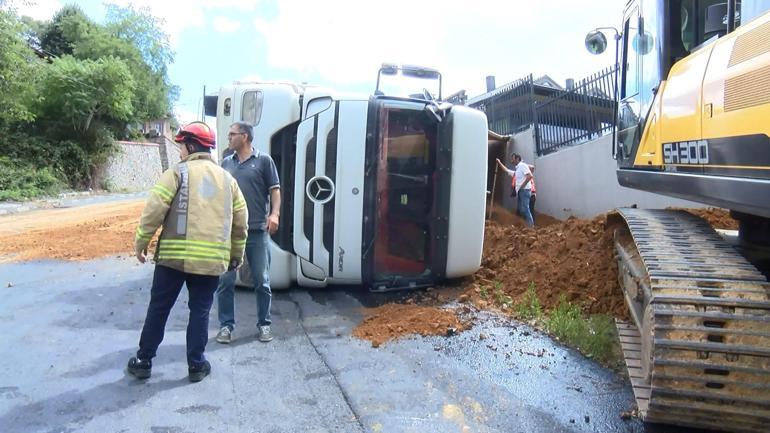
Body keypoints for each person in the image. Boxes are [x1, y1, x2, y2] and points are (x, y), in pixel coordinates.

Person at [127, 121, 248, 382]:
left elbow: (155, 208)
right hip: (210, 262)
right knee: (200, 312)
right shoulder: (228, 180)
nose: (180, 150)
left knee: (159, 309)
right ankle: (196, 365)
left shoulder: (177, 173)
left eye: (182, 145)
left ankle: (143, 361)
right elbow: (241, 222)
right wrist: (236, 255)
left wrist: (141, 241)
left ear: (191, 145)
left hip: (172, 259)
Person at [215, 121, 281, 344]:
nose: (229, 138)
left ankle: (264, 325)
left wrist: (275, 215)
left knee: (261, 281)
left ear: (244, 137)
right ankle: (226, 326)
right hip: (230, 233)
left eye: (232, 134)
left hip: (256, 232)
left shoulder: (263, 161)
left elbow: (275, 190)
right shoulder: (226, 163)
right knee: (225, 282)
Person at [495, 153, 534, 227]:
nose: (511, 160)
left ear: (517, 159)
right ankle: (524, 225)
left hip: (525, 191)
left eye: (513, 159)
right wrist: (499, 163)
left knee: (525, 209)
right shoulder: (518, 170)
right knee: (520, 210)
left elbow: (530, 176)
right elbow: (507, 170)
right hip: (521, 191)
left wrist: (522, 186)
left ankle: (531, 226)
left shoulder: (522, 165)